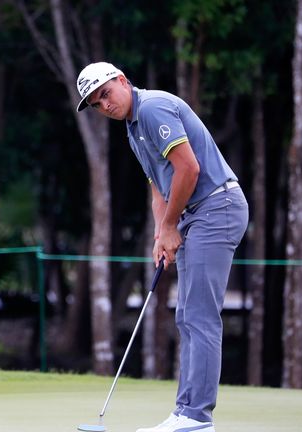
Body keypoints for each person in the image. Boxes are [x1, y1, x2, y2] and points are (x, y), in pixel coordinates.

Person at [75, 62, 249, 432]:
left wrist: (171, 225)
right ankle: (187, 411)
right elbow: (160, 185)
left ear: (122, 80)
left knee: (200, 315)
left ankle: (196, 417)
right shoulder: (133, 129)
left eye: (105, 93)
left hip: (216, 207)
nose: (103, 104)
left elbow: (188, 169)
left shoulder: (152, 108)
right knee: (187, 314)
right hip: (195, 214)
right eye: (94, 103)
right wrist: (161, 233)